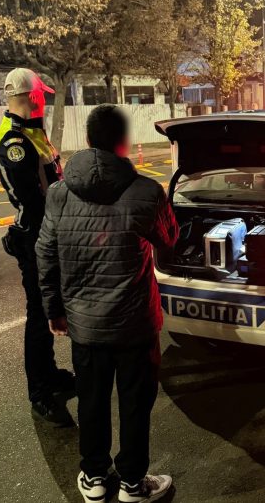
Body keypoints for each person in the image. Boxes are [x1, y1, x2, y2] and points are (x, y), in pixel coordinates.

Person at [35, 105, 179, 503]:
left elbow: (45, 253)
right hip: (136, 325)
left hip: (85, 325)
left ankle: (95, 478)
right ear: (124, 143)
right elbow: (169, 239)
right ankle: (133, 484)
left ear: (87, 140)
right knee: (136, 404)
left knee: (92, 401)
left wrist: (54, 309)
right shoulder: (147, 191)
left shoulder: (59, 193)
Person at [0, 68, 74, 425]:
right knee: (40, 314)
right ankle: (40, 392)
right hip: (37, 236)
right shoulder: (15, 141)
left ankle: (51, 374)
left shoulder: (32, 131)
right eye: (41, 94)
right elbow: (32, 198)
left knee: (48, 309)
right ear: (31, 96)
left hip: (48, 232)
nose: (44, 99)